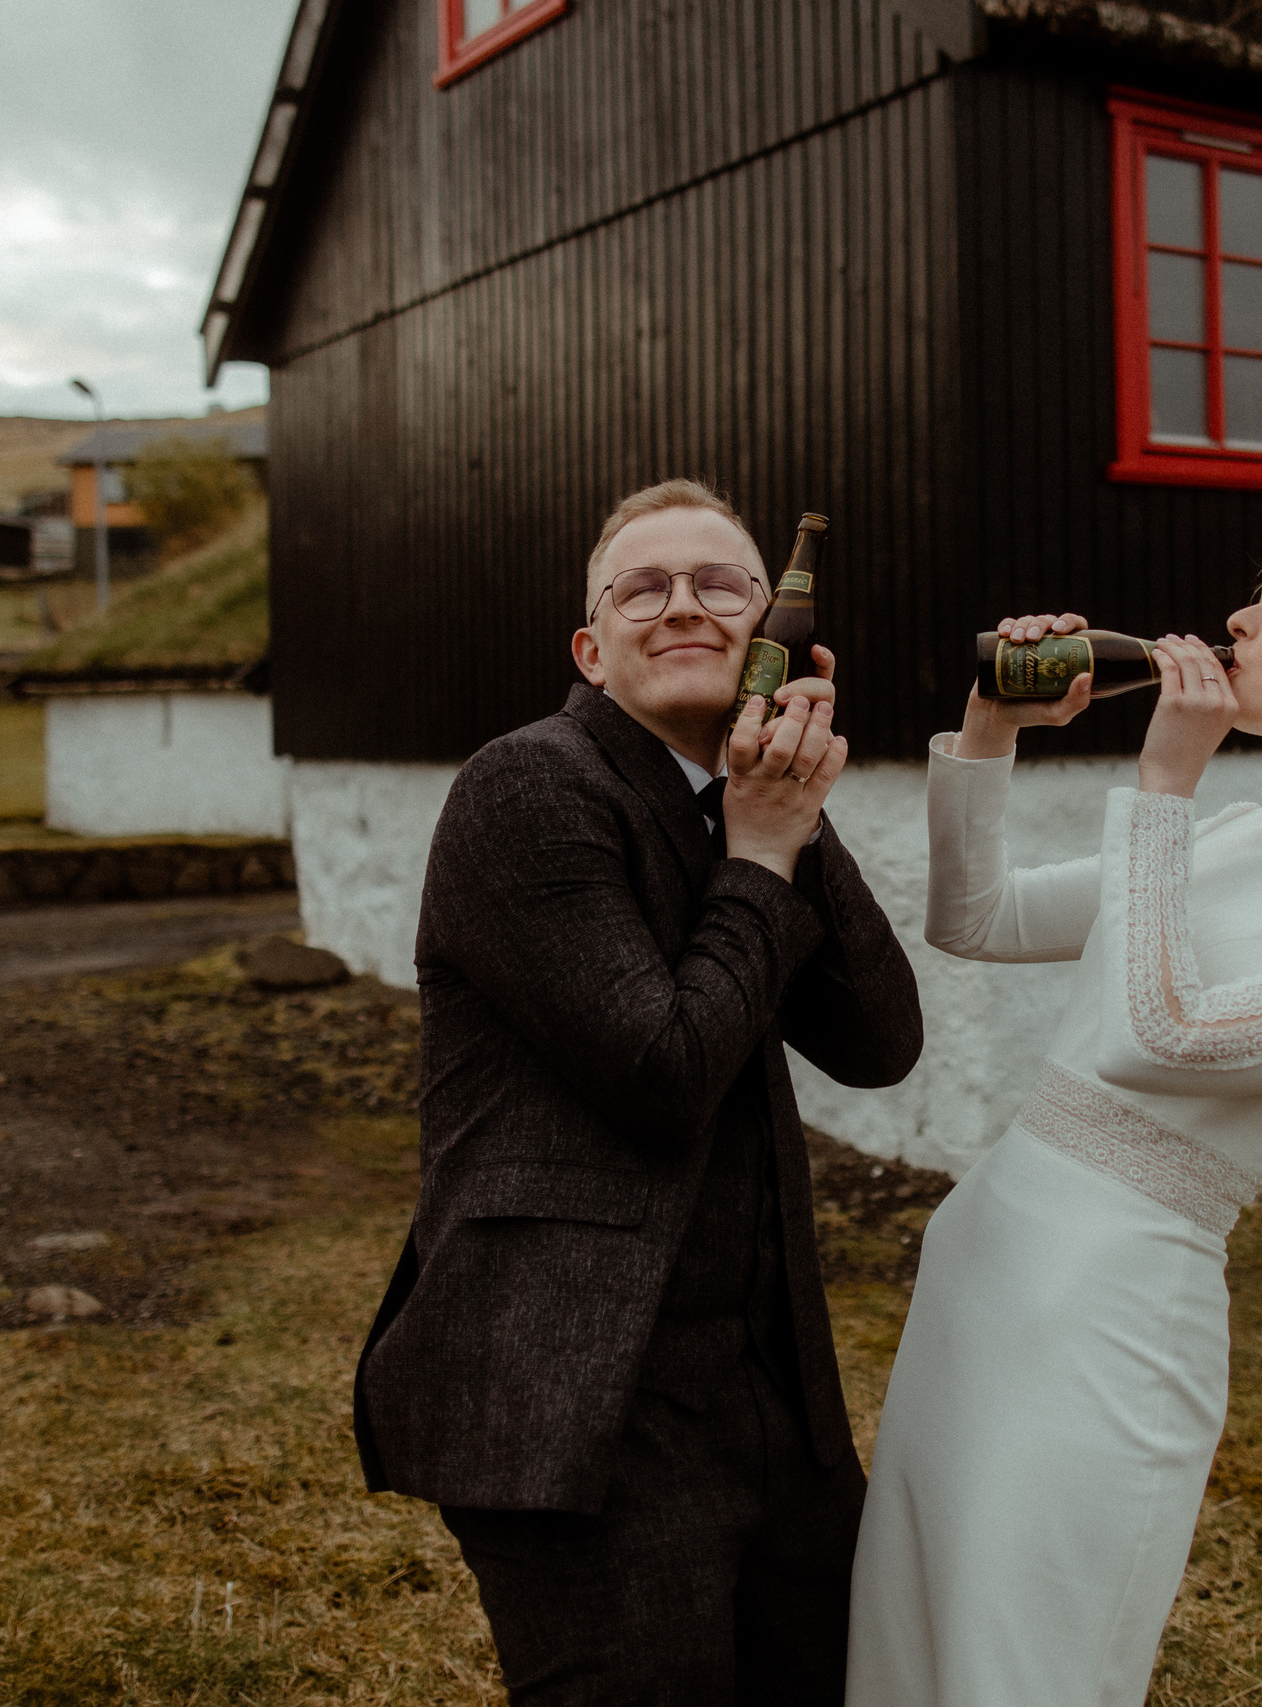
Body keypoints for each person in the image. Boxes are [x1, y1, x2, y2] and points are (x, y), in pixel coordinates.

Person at [845, 526, 1262, 1705]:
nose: (1242, 621)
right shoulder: (1238, 836)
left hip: (1112, 1314)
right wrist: (990, 727)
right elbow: (973, 918)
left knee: (1022, 1667)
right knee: (905, 1644)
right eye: (1255, 596)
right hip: (986, 1263)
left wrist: (1162, 785)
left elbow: (1161, 1037)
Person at [355, 478, 924, 1706]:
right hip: (580, 1409)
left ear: (772, 630)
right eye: (642, 587)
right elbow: (660, 1070)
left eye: (722, 584)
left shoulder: (749, 807)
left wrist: (796, 826)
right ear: (591, 646)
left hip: (775, 1407)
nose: (684, 609)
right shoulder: (526, 789)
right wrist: (763, 854)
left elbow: (879, 1043)